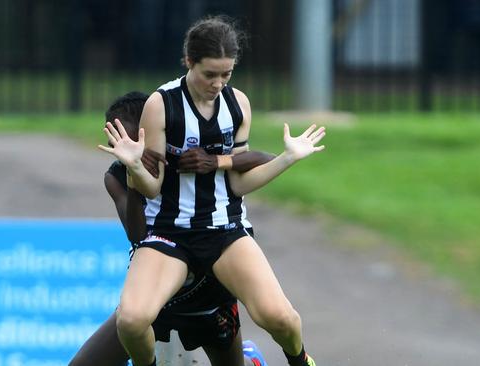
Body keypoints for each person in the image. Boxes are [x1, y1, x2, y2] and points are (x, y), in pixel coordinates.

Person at [98, 15, 325, 366]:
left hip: (225, 231)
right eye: (210, 74)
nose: (218, 83)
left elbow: (238, 183)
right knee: (131, 320)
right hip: (170, 235)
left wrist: (287, 159)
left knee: (281, 318)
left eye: (227, 74)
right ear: (189, 62)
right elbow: (152, 188)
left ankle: (300, 360)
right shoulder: (162, 104)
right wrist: (135, 165)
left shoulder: (238, 105)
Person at [72, 91, 274, 366]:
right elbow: (138, 237)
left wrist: (220, 162)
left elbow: (263, 159)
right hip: (155, 296)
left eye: (132, 143)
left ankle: (251, 360)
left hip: (207, 292)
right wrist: (134, 174)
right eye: (116, 145)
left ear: (153, 133)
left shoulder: (187, 162)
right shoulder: (117, 176)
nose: (125, 152)